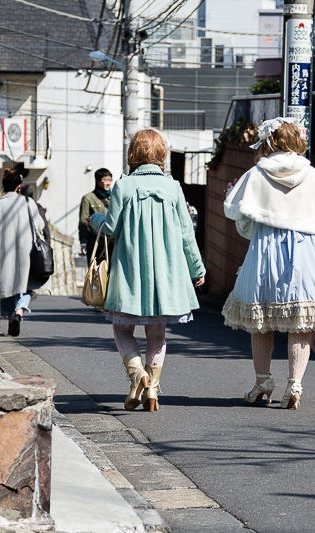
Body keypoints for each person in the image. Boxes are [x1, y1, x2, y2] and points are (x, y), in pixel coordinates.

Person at [222, 117, 315, 409]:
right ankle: (295, 384)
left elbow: (236, 212)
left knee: (261, 321)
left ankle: (263, 381)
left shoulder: (257, 173)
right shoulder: (311, 173)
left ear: (269, 141)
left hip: (266, 250)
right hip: (303, 253)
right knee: (299, 320)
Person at [90, 129, 205, 412]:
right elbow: (186, 234)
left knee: (122, 329)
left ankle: (137, 374)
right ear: (161, 154)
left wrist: (95, 219)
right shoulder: (173, 188)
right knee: (157, 334)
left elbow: (111, 228)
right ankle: (151, 387)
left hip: (129, 271)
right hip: (166, 273)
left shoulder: (124, 186)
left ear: (134, 153)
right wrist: (197, 268)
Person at [0, 166, 47, 337]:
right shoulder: (28, 203)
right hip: (27, 252)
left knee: (7, 286)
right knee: (25, 287)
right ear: (19, 186)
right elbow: (39, 226)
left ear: (4, 185)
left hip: (2, 253)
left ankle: (11, 318)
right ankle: (19, 312)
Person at [79, 168, 113, 265]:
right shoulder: (88, 198)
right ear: (98, 181)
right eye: (105, 180)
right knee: (95, 273)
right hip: (95, 243)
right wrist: (83, 242)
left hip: (111, 242)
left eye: (110, 180)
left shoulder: (114, 197)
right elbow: (83, 222)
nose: (108, 183)